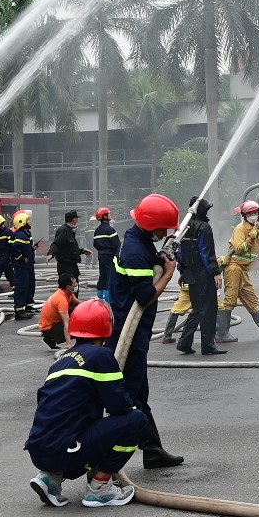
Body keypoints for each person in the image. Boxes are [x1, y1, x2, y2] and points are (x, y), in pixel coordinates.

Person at [25, 297, 149, 508]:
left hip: (39, 450)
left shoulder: (60, 361)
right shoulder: (101, 356)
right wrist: (130, 402)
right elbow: (118, 405)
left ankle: (50, 479)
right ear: (105, 329)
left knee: (78, 429)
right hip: (67, 450)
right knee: (136, 420)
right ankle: (99, 488)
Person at [107, 193, 186, 468]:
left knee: (139, 393)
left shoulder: (136, 240)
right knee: (129, 395)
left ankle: (152, 449)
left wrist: (162, 256)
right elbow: (144, 295)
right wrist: (168, 273)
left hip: (133, 330)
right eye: (164, 229)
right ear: (152, 226)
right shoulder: (136, 253)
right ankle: (109, 460)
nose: (166, 233)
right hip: (129, 333)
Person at [220, 200, 259, 339]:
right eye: (250, 213)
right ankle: (222, 333)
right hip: (234, 267)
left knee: (252, 301)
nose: (254, 215)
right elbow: (239, 248)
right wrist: (254, 233)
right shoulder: (240, 229)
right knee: (230, 300)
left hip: (244, 270)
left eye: (255, 212)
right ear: (244, 215)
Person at [168, 203, 225, 356]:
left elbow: (179, 252)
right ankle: (207, 346)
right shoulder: (204, 227)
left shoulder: (184, 227)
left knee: (197, 309)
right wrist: (215, 272)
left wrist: (182, 271)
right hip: (203, 275)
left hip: (190, 275)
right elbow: (206, 253)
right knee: (209, 310)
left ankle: (185, 343)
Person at [50, 209, 92, 290]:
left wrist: (82, 251)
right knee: (68, 290)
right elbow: (56, 244)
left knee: (74, 290)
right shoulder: (63, 231)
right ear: (74, 220)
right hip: (66, 268)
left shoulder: (70, 231)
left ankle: (73, 302)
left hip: (71, 267)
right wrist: (51, 254)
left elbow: (70, 249)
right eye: (77, 219)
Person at [38, 275, 82, 350]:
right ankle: (51, 338)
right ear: (68, 287)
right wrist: (69, 343)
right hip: (49, 329)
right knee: (78, 326)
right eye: (74, 283)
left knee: (79, 310)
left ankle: (50, 338)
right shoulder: (61, 300)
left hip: (54, 324)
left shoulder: (68, 293)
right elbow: (66, 323)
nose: (77, 284)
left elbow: (80, 304)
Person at [9, 209, 38, 318]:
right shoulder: (20, 234)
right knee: (21, 287)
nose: (29, 222)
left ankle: (28, 306)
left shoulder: (25, 233)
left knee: (29, 286)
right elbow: (15, 248)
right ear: (21, 222)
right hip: (21, 266)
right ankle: (19, 311)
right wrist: (21, 258)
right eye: (27, 220)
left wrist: (32, 249)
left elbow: (25, 249)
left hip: (28, 265)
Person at [92, 206, 118, 300]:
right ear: (105, 217)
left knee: (102, 276)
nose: (110, 215)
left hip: (101, 256)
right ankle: (108, 300)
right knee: (110, 277)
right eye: (109, 213)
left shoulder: (97, 231)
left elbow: (95, 244)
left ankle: (100, 299)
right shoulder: (110, 230)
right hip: (110, 256)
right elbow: (116, 244)